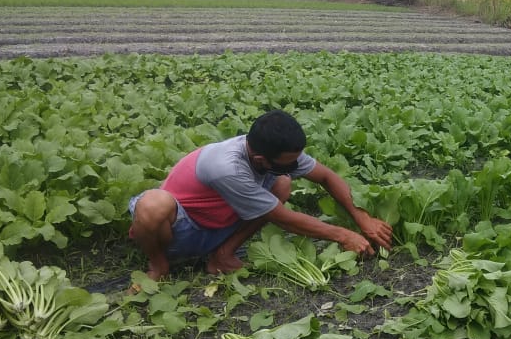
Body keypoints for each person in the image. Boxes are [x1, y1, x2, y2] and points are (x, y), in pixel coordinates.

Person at [128, 109, 393, 281]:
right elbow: (283, 219)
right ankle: (159, 266)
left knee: (283, 184)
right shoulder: (227, 167)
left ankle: (222, 256)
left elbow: (326, 176)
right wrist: (343, 234)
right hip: (181, 231)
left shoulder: (278, 152)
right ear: (259, 158)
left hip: (220, 223)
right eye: (288, 162)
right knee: (153, 203)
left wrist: (362, 219)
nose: (295, 166)